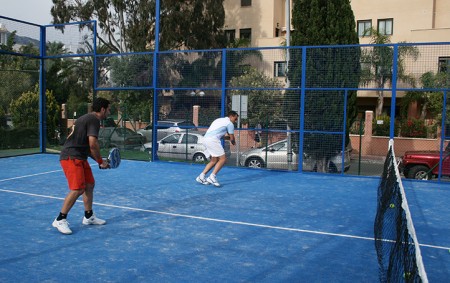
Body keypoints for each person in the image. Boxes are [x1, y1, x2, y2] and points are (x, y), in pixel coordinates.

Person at [52, 97, 111, 235]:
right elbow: (92, 144)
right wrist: (101, 161)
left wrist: (99, 161)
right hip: (71, 157)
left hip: (79, 156)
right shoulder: (94, 120)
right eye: (108, 109)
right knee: (77, 188)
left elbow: (85, 146)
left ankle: (88, 216)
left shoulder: (86, 118)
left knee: (89, 184)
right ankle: (60, 219)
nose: (109, 112)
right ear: (102, 109)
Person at [196, 111, 239, 187]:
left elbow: (219, 135)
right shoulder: (230, 124)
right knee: (223, 159)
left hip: (205, 139)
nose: (236, 121)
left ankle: (201, 177)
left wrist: (227, 137)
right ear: (231, 116)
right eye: (235, 119)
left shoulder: (219, 120)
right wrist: (233, 142)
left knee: (214, 160)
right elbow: (232, 138)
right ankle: (212, 177)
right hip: (212, 140)